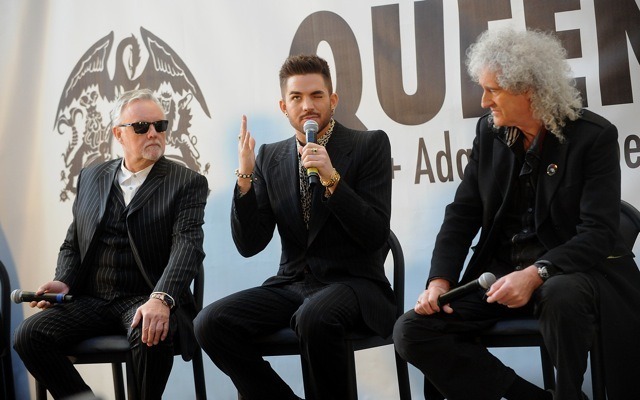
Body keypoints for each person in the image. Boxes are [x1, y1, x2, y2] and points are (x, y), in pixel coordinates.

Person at [393, 27, 640, 400]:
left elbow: (598, 232)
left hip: (570, 271)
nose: (483, 101)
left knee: (561, 295)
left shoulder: (592, 137)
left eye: (492, 90)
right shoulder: (489, 133)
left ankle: (570, 393)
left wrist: (536, 273)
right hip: (500, 274)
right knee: (412, 330)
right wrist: (439, 282)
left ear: (529, 90)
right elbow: (462, 214)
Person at [194, 54, 395, 400]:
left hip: (355, 284)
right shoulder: (270, 157)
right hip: (292, 285)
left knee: (314, 317)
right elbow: (250, 244)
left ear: (333, 100)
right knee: (209, 323)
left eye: (317, 96)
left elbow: (375, 233)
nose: (308, 106)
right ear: (283, 106)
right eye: (297, 98)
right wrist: (244, 177)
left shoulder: (369, 145)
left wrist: (333, 179)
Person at [13, 88, 208, 399]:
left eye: (161, 125)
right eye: (142, 127)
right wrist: (64, 281)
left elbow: (188, 246)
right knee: (29, 335)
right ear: (119, 133)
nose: (154, 133)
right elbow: (73, 243)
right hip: (93, 300)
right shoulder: (91, 176)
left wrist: (161, 298)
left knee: (150, 332)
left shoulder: (186, 182)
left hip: (146, 296)